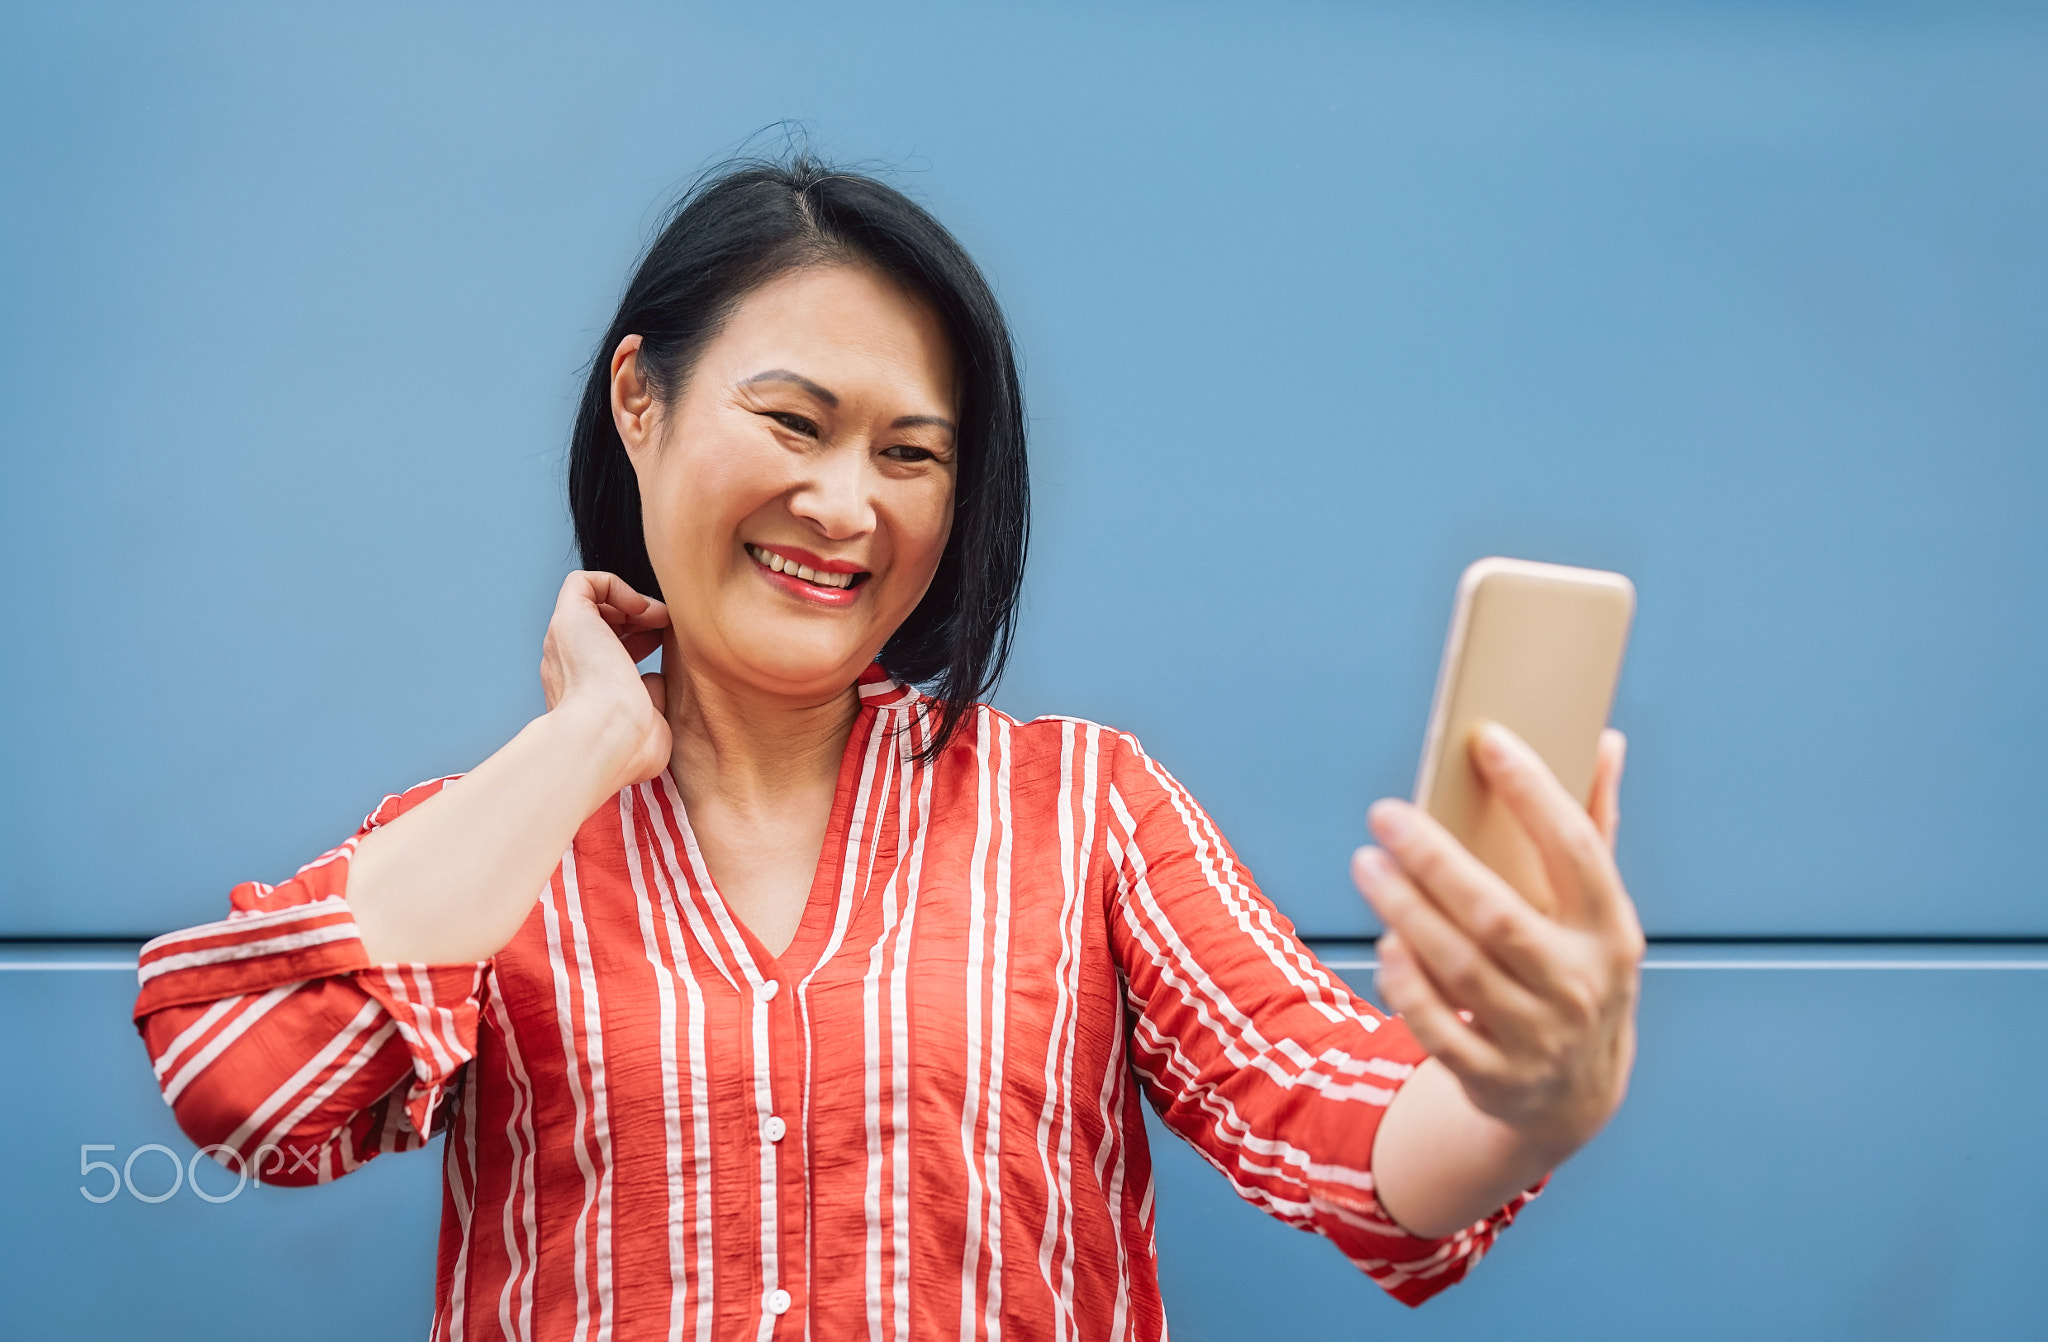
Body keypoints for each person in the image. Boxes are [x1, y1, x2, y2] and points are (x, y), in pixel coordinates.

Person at [133, 155, 1644, 1341]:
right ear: (639, 401)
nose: (849, 506)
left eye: (910, 453)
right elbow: (244, 1089)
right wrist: (593, 732)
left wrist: (1529, 1095)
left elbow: (1350, 1129)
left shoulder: (1091, 811)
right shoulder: (492, 846)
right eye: (794, 421)